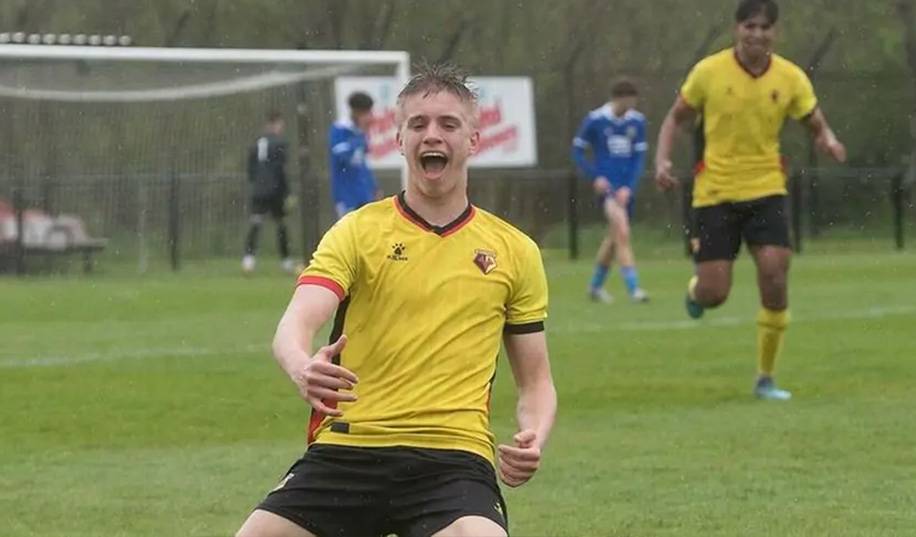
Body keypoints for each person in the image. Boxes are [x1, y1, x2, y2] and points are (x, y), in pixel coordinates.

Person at [236, 63, 557, 537]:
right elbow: (296, 323)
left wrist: (534, 435)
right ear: (398, 138)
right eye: (418, 124)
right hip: (348, 449)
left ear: (473, 140)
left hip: (453, 460)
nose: (433, 135)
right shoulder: (357, 231)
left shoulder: (515, 250)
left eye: (449, 124)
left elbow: (536, 382)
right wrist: (301, 366)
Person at [654, 0, 846, 400]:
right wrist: (662, 160)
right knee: (714, 293)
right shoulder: (709, 72)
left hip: (766, 189)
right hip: (715, 193)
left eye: (764, 27)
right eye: (750, 26)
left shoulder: (790, 77)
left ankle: (765, 378)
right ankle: (696, 291)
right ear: (736, 29)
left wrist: (827, 138)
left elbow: (813, 120)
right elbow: (675, 118)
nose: (757, 34)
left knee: (775, 274)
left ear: (775, 32)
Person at [572, 79, 649, 304]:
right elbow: (577, 151)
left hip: (625, 190)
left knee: (614, 238)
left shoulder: (637, 122)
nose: (630, 107)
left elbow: (638, 159)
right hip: (607, 190)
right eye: (627, 102)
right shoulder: (596, 120)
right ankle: (634, 289)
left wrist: (629, 187)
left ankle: (595, 287)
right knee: (622, 232)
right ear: (616, 99)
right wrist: (595, 176)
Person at [242, 111, 297, 274]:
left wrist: (257, 183)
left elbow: (251, 169)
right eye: (280, 125)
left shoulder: (256, 142)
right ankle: (286, 261)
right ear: (275, 124)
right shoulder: (280, 143)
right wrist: (287, 192)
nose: (281, 128)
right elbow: (280, 169)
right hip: (275, 189)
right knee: (281, 224)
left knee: (256, 222)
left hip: (259, 189)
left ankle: (248, 260)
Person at [328, 91, 382, 219]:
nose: (370, 118)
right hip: (347, 195)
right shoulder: (340, 130)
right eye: (367, 113)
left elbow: (363, 164)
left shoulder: (360, 133)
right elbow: (343, 157)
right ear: (358, 113)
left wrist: (374, 187)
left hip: (365, 195)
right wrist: (357, 139)